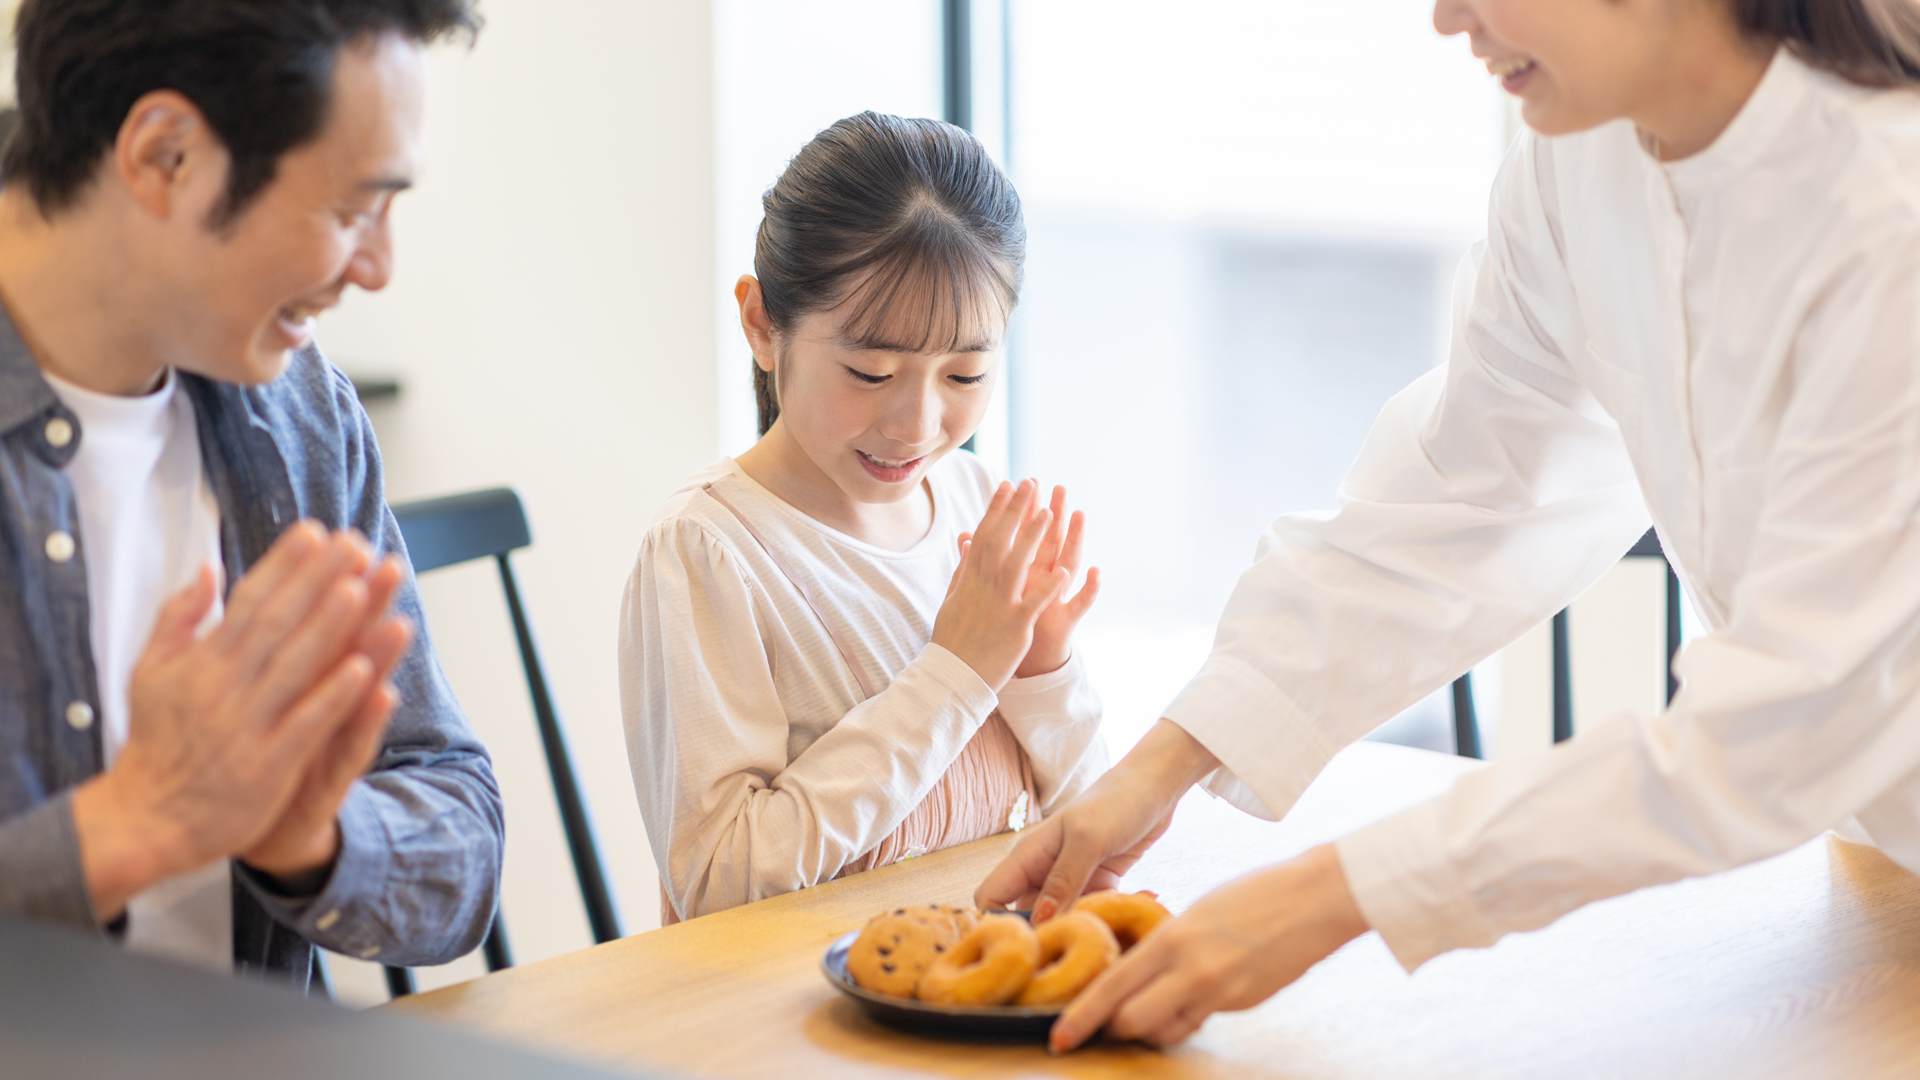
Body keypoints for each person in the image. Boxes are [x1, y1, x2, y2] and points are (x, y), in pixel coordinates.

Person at [978, 0, 1920, 1052]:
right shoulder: (1580, 160)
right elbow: (1470, 494)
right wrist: (1159, 766)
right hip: (1881, 866)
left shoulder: (1890, 213)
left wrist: (1331, 896)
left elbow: (1788, 720)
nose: (1444, 19)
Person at [0, 0, 502, 988]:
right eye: (352, 210)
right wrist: (130, 826)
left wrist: (309, 837)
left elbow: (461, 832)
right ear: (167, 156)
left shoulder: (304, 413)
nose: (379, 268)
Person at [620, 112, 1107, 922]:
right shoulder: (708, 551)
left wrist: (1042, 670)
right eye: (871, 372)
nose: (917, 425)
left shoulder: (975, 501)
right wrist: (956, 671)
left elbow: (1090, 826)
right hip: (804, 992)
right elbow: (717, 885)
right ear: (762, 325)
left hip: (985, 970)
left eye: (965, 375)